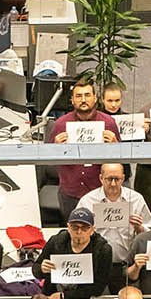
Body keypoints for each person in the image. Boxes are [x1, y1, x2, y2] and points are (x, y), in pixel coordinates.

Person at [47, 80, 119, 218]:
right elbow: (48, 160)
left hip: (100, 191)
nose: (83, 100)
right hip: (70, 192)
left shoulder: (109, 123)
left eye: (87, 95)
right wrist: (56, 148)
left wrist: (115, 145)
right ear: (72, 100)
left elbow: (121, 161)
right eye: (79, 96)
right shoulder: (61, 124)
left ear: (95, 98)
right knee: (72, 228)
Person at [33, 209, 119, 299]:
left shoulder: (103, 250)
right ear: (68, 227)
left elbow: (99, 287)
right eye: (75, 227)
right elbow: (35, 269)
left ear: (92, 230)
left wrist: (64, 296)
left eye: (85, 228)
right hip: (53, 297)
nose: (79, 232)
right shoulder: (56, 242)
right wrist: (41, 269)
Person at [74, 164, 150, 262]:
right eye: (109, 179)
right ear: (101, 178)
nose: (113, 184)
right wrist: (87, 229)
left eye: (117, 179)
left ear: (123, 178)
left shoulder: (136, 199)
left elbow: (150, 234)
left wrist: (139, 228)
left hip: (127, 263)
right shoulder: (87, 201)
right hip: (96, 263)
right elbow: (75, 233)